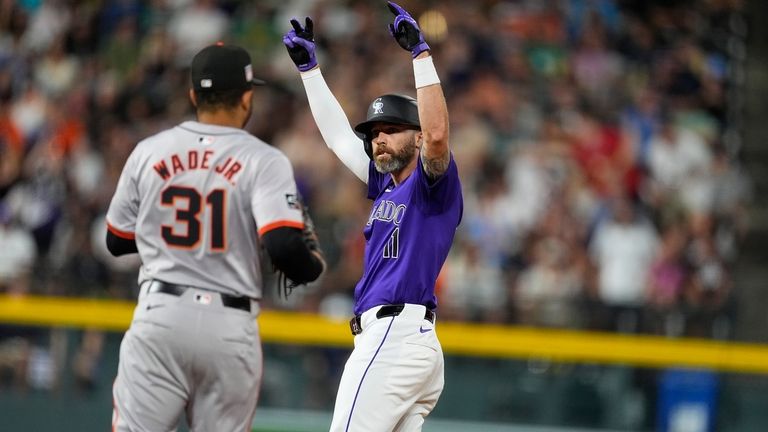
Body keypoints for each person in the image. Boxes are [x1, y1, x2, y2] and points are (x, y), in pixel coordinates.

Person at [105, 43, 325, 431]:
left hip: (161, 315)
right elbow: (285, 246)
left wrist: (168, 237)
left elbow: (116, 240)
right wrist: (311, 267)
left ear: (193, 96)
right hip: (229, 324)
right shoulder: (263, 159)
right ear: (246, 97)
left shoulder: (149, 151)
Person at [283, 2, 463, 430]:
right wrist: (310, 72)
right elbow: (339, 139)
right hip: (407, 340)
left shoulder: (429, 184)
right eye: (375, 134)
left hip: (394, 336)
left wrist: (421, 56)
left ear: (416, 138)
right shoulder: (386, 184)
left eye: (391, 130)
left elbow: (438, 136)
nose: (378, 139)